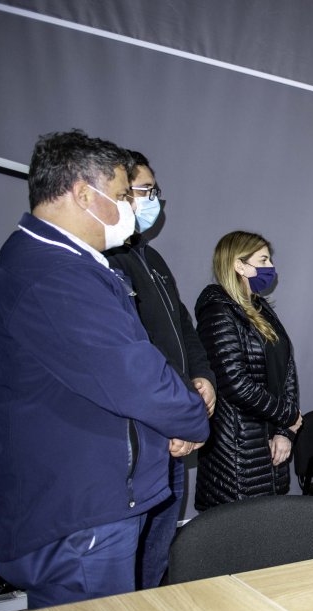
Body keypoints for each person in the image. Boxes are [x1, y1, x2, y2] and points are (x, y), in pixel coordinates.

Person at [0, 130, 208, 608]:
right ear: (84, 194)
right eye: (124, 194)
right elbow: (134, 374)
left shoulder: (73, 264)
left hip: (92, 500)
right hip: (78, 513)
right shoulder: (51, 274)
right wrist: (190, 417)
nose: (132, 205)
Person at [104, 151, 217, 588]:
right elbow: (133, 360)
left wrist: (203, 377)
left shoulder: (152, 260)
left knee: (157, 552)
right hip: (145, 436)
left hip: (174, 428)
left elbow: (184, 331)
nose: (155, 201)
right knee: (128, 565)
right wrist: (174, 419)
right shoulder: (108, 264)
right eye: (145, 191)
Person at [194, 231, 302, 510]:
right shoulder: (218, 311)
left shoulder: (261, 309)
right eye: (263, 259)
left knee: (267, 535)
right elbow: (235, 384)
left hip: (268, 447)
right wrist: (289, 416)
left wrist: (284, 431)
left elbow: (286, 369)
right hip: (235, 451)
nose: (270, 267)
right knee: (240, 538)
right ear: (239, 265)